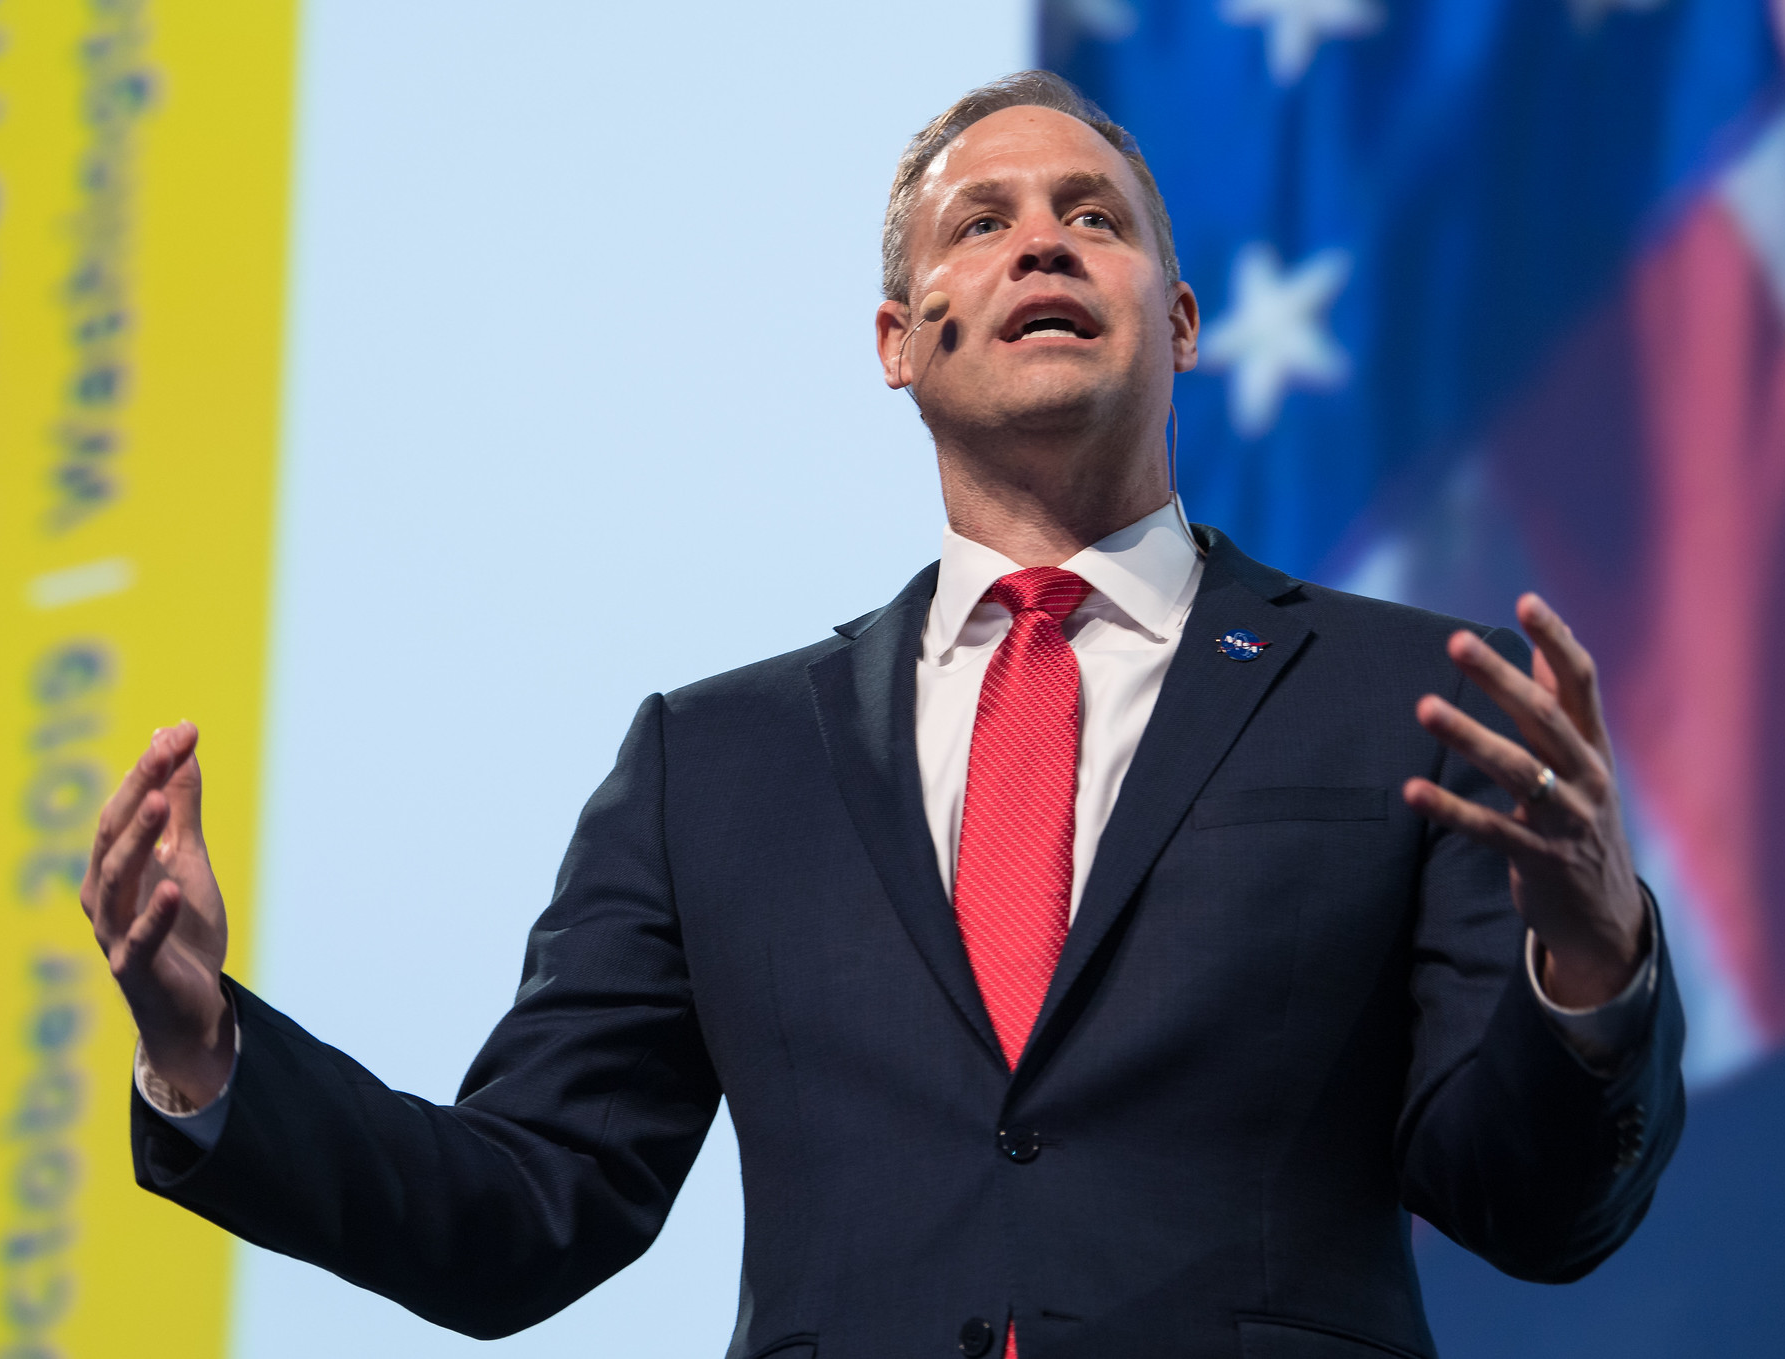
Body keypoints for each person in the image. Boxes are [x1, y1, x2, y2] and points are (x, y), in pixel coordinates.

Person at [84, 72, 1681, 1359]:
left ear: (1179, 324)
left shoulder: (1409, 701)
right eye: (979, 225)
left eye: (1092, 218)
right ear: (898, 347)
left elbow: (1534, 1213)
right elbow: (523, 1216)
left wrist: (1591, 963)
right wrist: (203, 1041)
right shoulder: (711, 764)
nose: (1040, 244)